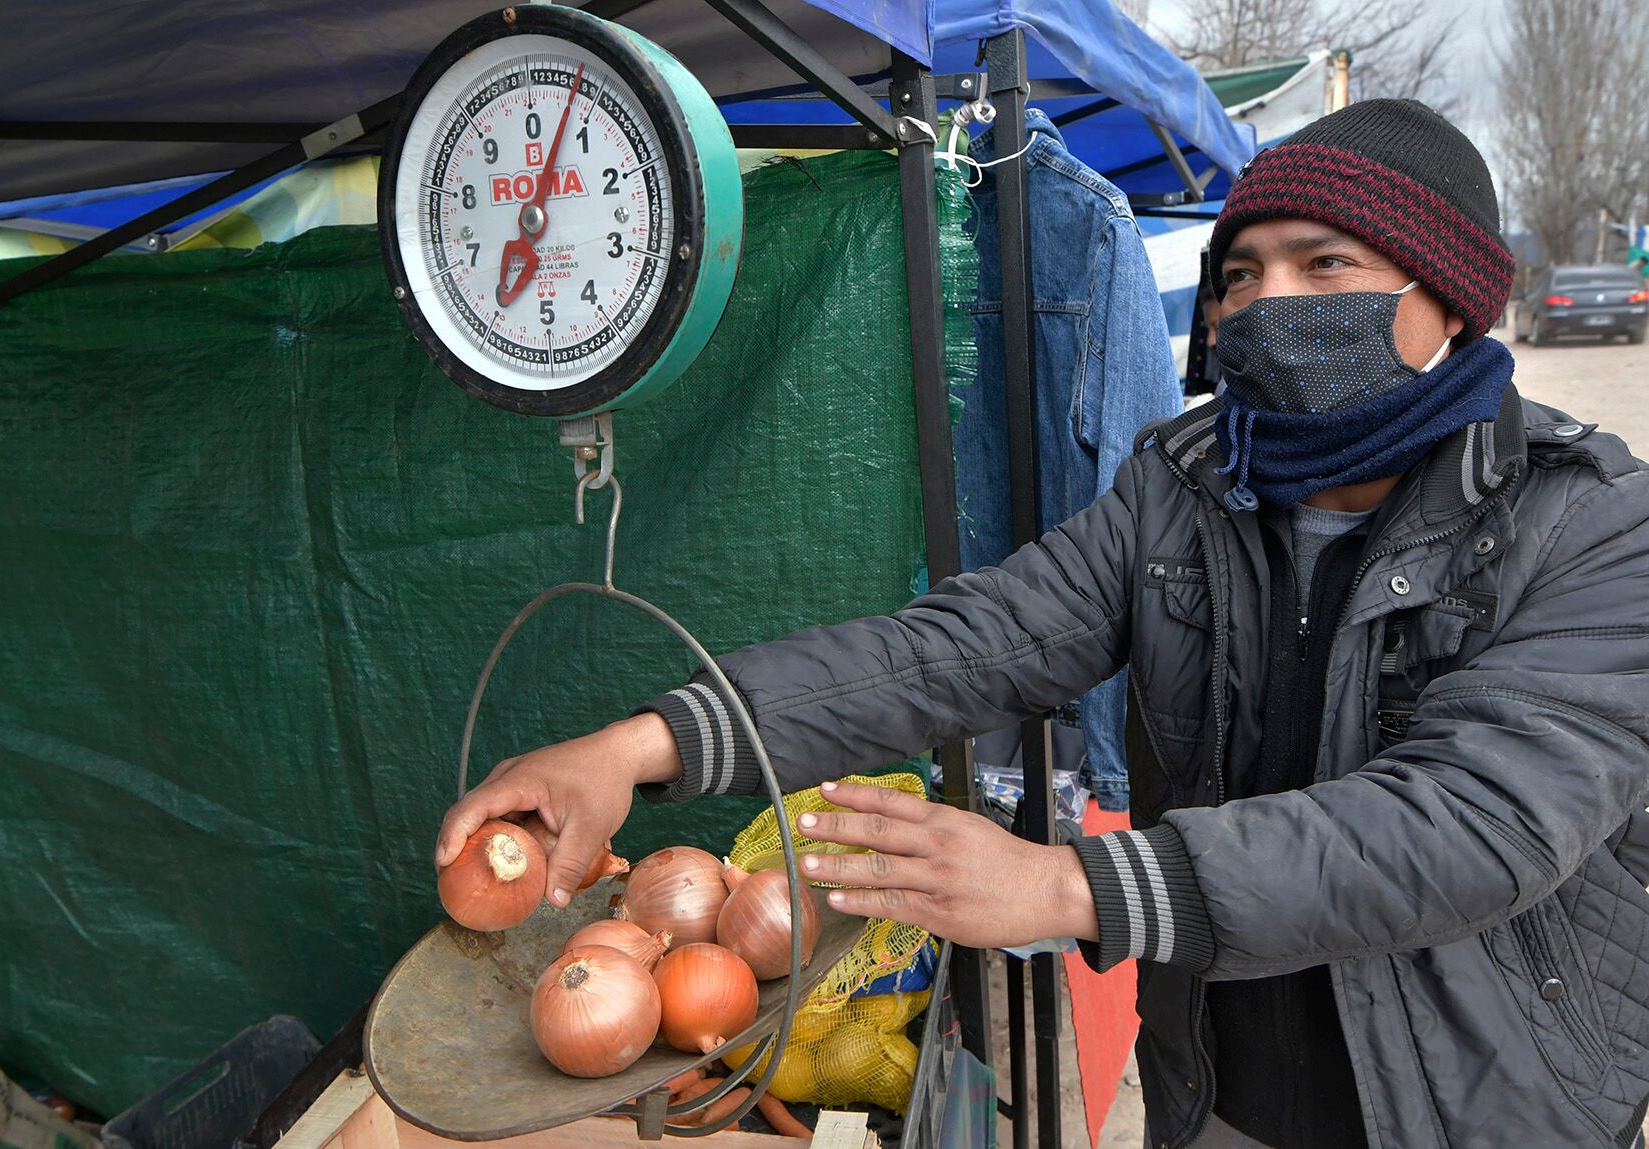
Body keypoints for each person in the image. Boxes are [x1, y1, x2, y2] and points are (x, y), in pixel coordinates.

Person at [437, 101, 1649, 1149]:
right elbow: (961, 645)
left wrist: (1072, 884)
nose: (1262, 302)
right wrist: (641, 744)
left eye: (1322, 265)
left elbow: (1470, 825)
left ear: (1448, 299)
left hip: (1484, 1103)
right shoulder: (1182, 488)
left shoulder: (1590, 525)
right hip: (1220, 1091)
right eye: (1238, 274)